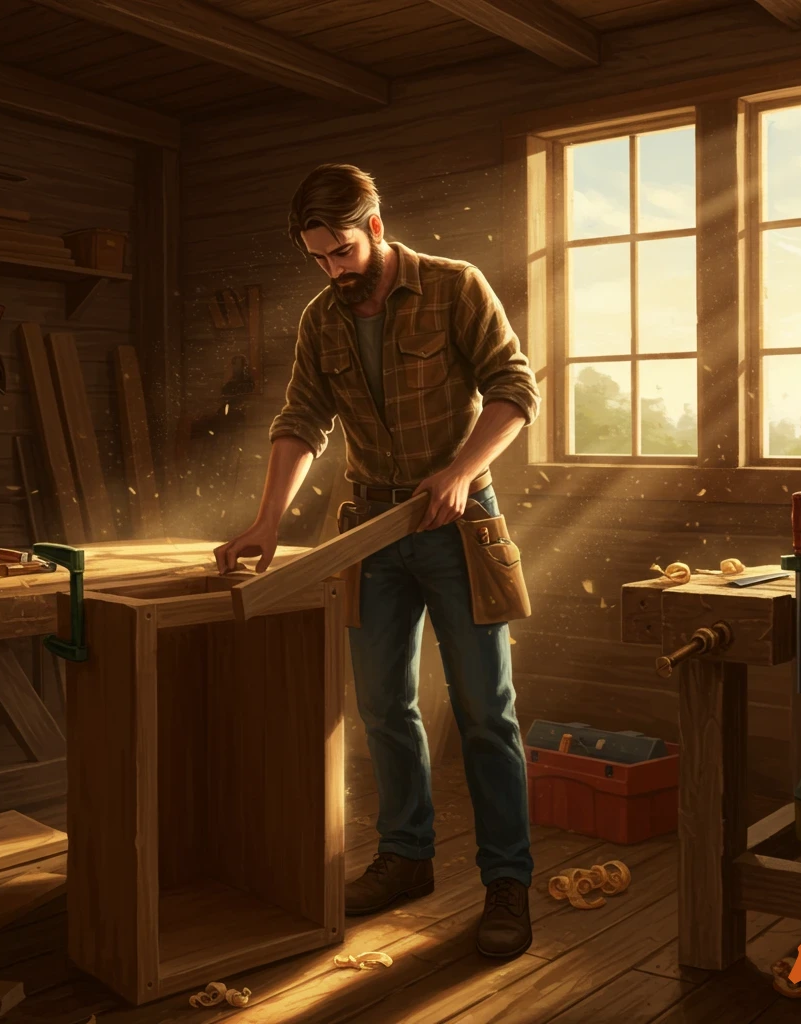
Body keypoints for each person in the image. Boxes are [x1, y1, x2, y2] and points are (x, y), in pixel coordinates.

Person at [215, 163, 540, 958]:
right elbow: (302, 418)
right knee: (383, 707)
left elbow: (514, 390)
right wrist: (267, 521)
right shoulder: (322, 320)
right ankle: (406, 858)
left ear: (376, 227)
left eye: (343, 251)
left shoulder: (455, 287)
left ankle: (507, 882)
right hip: (370, 532)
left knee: (485, 713)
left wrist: (459, 472)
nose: (334, 270)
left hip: (459, 524)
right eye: (318, 259)